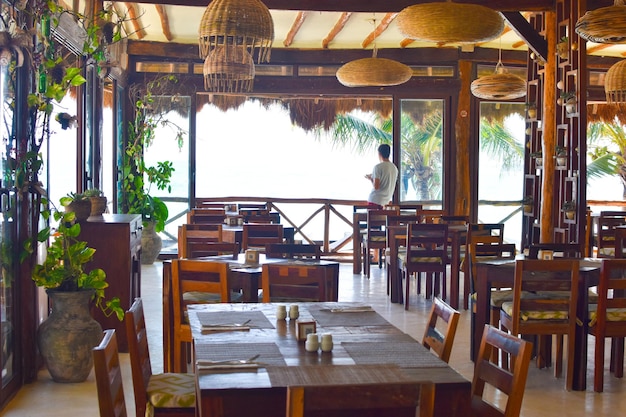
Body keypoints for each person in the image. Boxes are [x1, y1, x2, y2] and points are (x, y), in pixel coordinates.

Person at [365, 144, 399, 209]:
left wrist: (371, 179)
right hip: (386, 202)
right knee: (382, 219)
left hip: (375, 200)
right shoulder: (394, 168)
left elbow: (376, 187)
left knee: (371, 219)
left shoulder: (378, 167)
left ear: (379, 154)